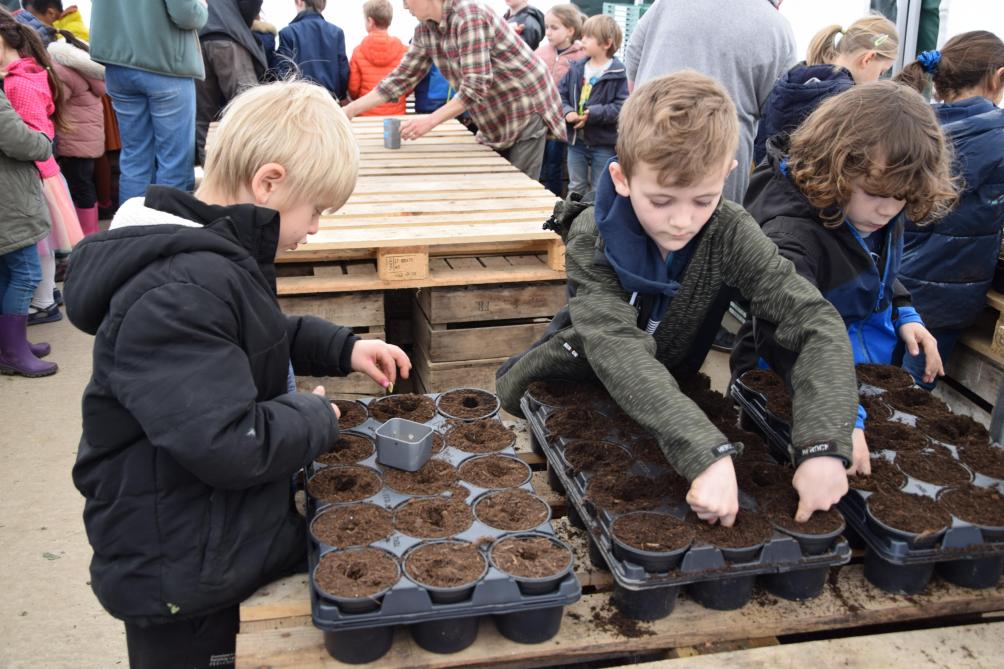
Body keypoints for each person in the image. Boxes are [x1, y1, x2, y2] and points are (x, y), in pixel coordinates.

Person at [63, 80, 412, 669]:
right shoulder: (178, 290)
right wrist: (312, 417)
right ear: (269, 182)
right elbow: (229, 441)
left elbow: (255, 336)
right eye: (317, 209)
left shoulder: (213, 257)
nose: (317, 229)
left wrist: (344, 347)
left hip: (213, 533)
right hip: (180, 570)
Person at [497, 71, 859, 526]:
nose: (681, 221)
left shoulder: (730, 231)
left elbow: (813, 321)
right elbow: (617, 348)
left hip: (668, 390)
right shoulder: (594, 236)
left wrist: (824, 444)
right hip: (576, 384)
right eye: (662, 200)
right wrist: (705, 454)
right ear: (622, 177)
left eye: (703, 199)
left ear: (727, 174)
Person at [731, 81, 957, 472]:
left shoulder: (873, 207)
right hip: (784, 376)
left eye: (901, 197)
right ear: (836, 165)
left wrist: (904, 312)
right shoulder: (790, 235)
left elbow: (873, 267)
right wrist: (837, 419)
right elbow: (789, 328)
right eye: (876, 193)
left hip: (853, 374)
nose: (888, 209)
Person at [344, 0, 565, 181]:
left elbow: (476, 86)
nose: (404, 6)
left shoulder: (469, 16)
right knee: (495, 183)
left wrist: (429, 121)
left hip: (525, 107)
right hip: (495, 115)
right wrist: (350, 110)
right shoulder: (425, 30)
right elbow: (400, 78)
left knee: (519, 189)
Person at [895, 32, 1004, 388]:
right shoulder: (998, 136)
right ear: (997, 77)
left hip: (887, 281)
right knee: (903, 402)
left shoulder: (913, 121)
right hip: (942, 300)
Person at [624, 0, 796, 204]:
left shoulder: (667, 3)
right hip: (718, 172)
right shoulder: (778, 28)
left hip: (646, 154)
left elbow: (633, 61)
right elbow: (777, 115)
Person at [0, 9, 80, 325]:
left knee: (37, 247)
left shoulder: (19, 83)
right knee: (37, 246)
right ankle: (44, 297)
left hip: (36, 171)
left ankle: (43, 302)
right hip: (41, 168)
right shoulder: (26, 74)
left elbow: (36, 133)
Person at [89, 0, 208, 202]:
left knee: (135, 158)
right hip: (166, 64)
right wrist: (202, 7)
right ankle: (166, 228)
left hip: (117, 65)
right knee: (174, 161)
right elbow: (187, 15)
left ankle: (131, 229)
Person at [752, 15, 898, 166]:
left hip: (767, 182)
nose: (878, 81)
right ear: (867, 59)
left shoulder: (796, 77)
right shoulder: (844, 100)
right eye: (881, 72)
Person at [0, 88, 57, 377]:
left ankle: (10, 343)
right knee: (26, 274)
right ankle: (12, 351)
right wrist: (44, 140)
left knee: (6, 273)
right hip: (7, 203)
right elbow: (17, 140)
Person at [558, 14, 627, 200]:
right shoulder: (576, 69)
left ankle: (593, 226)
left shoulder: (619, 73)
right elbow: (560, 94)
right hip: (576, 141)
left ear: (606, 43)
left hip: (603, 142)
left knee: (599, 188)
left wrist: (592, 114)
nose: (582, 40)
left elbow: (621, 106)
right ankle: (570, 224)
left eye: (589, 37)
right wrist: (568, 111)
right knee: (576, 186)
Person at [195, 0, 267, 165]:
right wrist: (241, 20)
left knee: (204, 118)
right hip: (227, 34)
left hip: (196, 41)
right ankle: (253, 167)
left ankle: (212, 177)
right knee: (250, 110)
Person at [48, 34, 106, 237]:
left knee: (78, 187)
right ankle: (91, 230)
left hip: (73, 138)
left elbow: (55, 102)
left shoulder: (60, 70)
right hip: (87, 138)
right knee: (85, 185)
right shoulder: (87, 70)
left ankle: (85, 234)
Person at [536, 3, 585, 196]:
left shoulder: (581, 55)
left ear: (570, 30)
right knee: (540, 164)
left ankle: (553, 201)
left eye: (554, 28)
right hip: (540, 119)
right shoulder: (540, 52)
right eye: (546, 27)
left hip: (562, 122)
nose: (548, 32)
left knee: (555, 164)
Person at [276, 0, 349, 101]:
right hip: (329, 101)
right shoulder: (336, 32)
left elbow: (283, 72)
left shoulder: (288, 33)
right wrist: (342, 96)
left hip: (299, 101)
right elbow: (343, 71)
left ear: (300, 2)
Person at [348, 0, 408, 116]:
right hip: (395, 118)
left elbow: (353, 89)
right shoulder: (403, 50)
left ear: (370, 21)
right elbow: (408, 85)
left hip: (366, 115)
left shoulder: (358, 51)